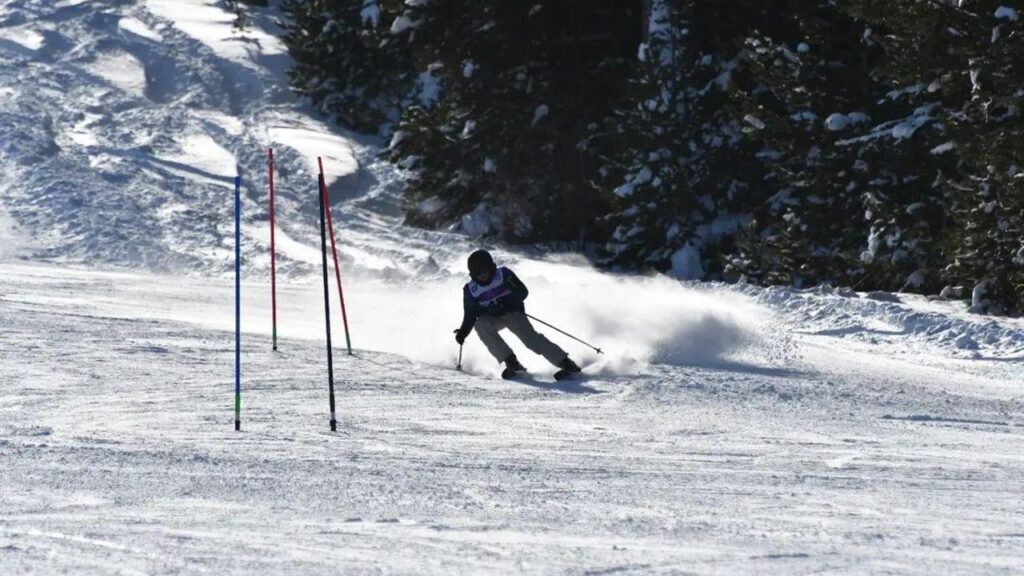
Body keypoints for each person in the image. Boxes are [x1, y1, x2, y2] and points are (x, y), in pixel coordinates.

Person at [454, 250, 583, 380]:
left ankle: (566, 363)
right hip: (492, 317)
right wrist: (463, 332)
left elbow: (522, 291)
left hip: (512, 313)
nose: (482, 275)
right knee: (481, 324)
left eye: (484, 270)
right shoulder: (470, 290)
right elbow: (470, 314)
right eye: (477, 272)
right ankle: (511, 362)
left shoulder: (503, 275)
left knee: (531, 340)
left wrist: (507, 302)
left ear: (490, 266)